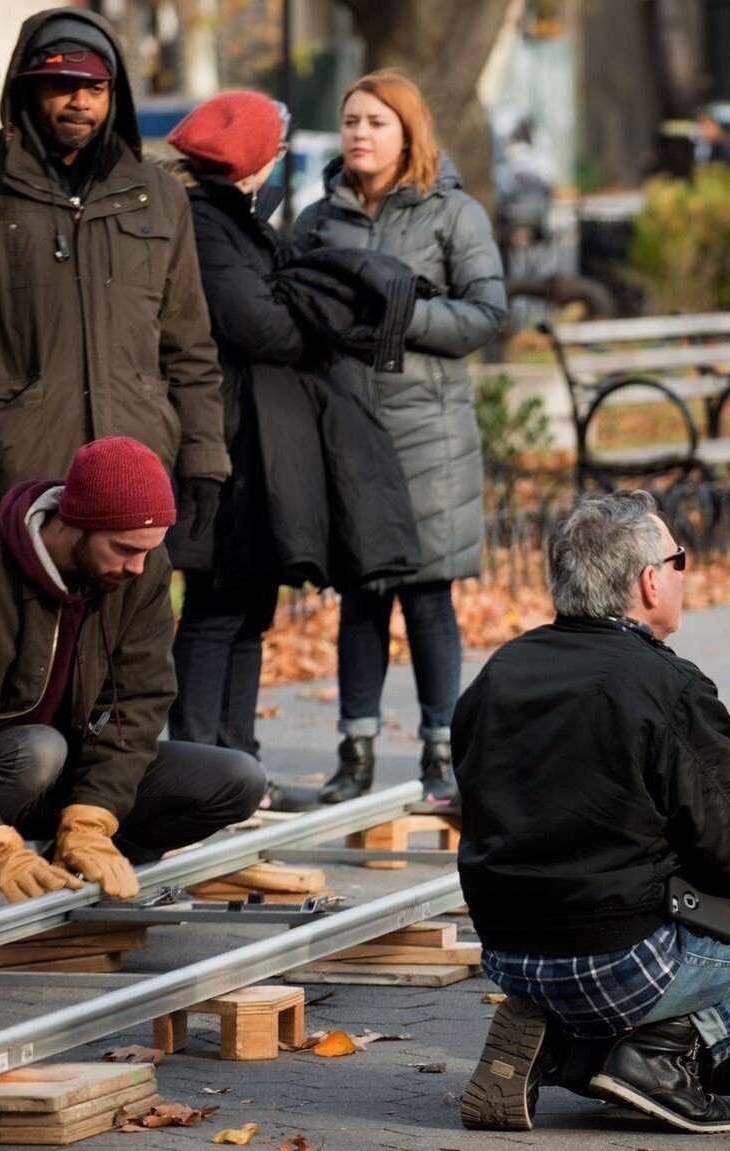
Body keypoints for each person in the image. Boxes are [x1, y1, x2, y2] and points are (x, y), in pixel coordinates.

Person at [455, 491, 730, 1134]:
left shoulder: (499, 671)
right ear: (649, 581)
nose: (683, 572)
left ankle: (562, 1039)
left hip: (509, 953)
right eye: (679, 560)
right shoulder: (663, 685)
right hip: (616, 959)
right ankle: (658, 1054)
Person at [0, 438, 266, 932]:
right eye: (123, 549)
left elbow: (137, 704)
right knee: (39, 750)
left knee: (237, 779)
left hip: (67, 777)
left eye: (149, 550)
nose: (138, 566)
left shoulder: (140, 570)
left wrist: (92, 819)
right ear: (73, 521)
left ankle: (71, 877)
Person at [0, 7, 226, 535]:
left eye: (95, 88)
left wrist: (204, 457)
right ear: (27, 88)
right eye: (63, 85)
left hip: (136, 470)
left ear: (113, 95)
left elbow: (189, 343)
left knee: (129, 618)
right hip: (7, 477)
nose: (81, 101)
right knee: (10, 618)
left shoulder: (160, 196)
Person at [291, 70, 505, 806]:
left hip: (428, 433)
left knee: (425, 597)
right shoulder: (319, 217)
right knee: (361, 593)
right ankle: (354, 756)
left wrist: (402, 316)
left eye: (375, 122)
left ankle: (441, 757)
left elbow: (484, 315)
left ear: (407, 130)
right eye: (350, 120)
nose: (358, 133)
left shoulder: (453, 214)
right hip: (346, 427)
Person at [158, 91, 303, 808]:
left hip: (252, 442)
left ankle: (238, 761)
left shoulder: (236, 219)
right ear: (255, 156)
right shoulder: (207, 225)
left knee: (250, 603)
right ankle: (200, 762)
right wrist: (308, 326)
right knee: (217, 605)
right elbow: (258, 324)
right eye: (274, 147)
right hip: (220, 442)